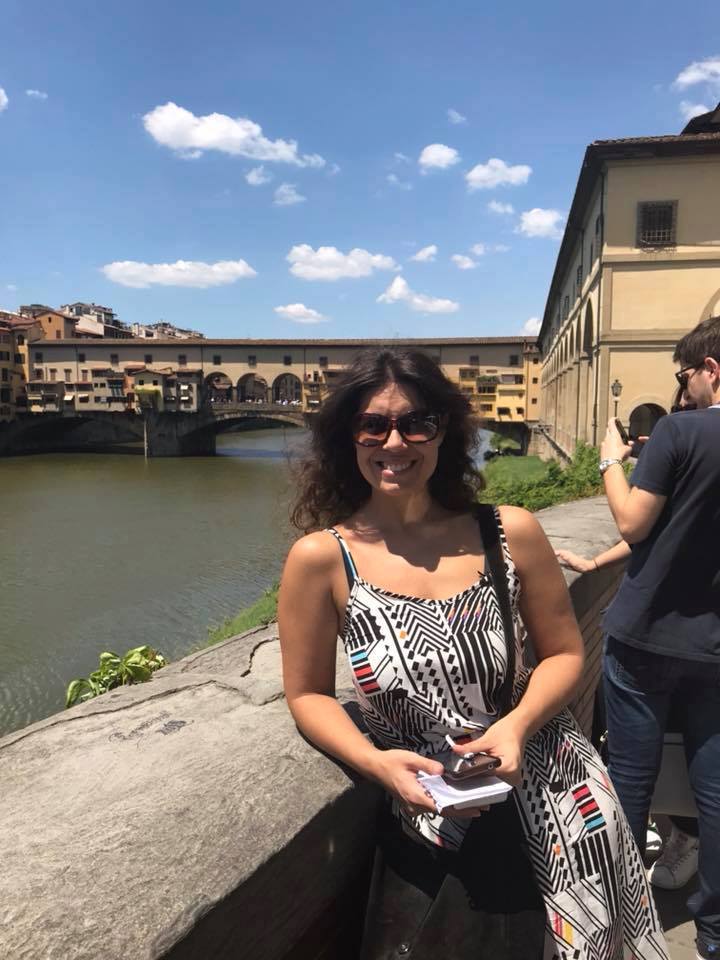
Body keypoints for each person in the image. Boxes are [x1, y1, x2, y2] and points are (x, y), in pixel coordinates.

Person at [279, 348, 668, 960]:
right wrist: (376, 764)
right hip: (432, 817)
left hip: (559, 797)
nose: (394, 442)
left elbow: (565, 654)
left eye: (417, 423)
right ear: (346, 436)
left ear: (445, 432)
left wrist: (516, 725)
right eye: (372, 425)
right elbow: (306, 694)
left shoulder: (508, 531)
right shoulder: (322, 559)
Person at [598, 315, 720, 960]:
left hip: (648, 637)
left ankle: (616, 924)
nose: (683, 387)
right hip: (716, 651)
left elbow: (633, 523)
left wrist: (609, 461)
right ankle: (715, 935)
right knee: (716, 792)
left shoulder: (680, 430)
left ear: (711, 370)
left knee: (630, 782)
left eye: (685, 374)